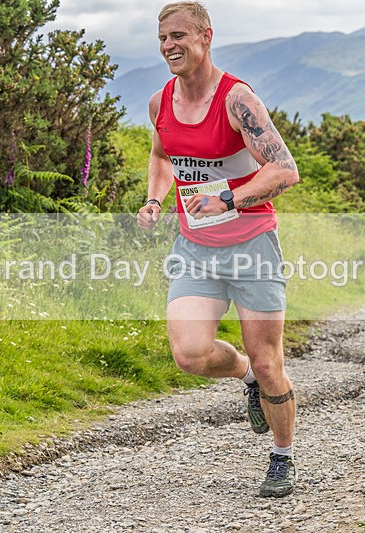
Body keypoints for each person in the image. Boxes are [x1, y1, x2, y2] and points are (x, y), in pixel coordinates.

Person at [136, 1, 300, 498]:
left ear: (205, 37)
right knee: (190, 354)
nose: (169, 46)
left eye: (179, 36)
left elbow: (285, 170)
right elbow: (163, 155)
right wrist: (154, 199)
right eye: (163, 38)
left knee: (269, 361)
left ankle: (282, 456)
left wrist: (228, 198)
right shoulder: (160, 103)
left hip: (252, 244)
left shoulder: (237, 100)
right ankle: (245, 375)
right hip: (195, 248)